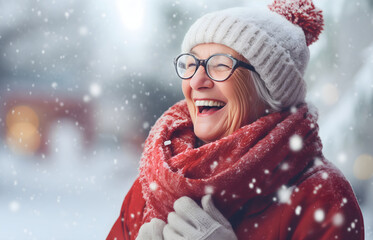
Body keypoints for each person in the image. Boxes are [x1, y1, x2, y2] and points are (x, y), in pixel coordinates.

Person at [107, 0, 365, 239]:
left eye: (220, 64)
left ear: (269, 89)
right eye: (191, 64)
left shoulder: (322, 195)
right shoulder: (156, 181)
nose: (196, 81)